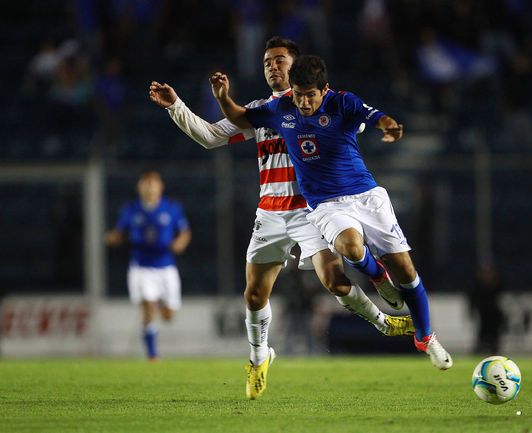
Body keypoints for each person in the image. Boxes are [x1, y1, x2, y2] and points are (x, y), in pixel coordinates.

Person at [149, 36, 414, 400]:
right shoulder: (260, 112)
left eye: (279, 60)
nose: (272, 67)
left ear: (296, 66)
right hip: (271, 212)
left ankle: (383, 323)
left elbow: (354, 121)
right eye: (267, 63)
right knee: (254, 294)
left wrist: (373, 125)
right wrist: (176, 107)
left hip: (313, 210)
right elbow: (210, 137)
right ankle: (260, 357)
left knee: (334, 281)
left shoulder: (324, 103)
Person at [211, 54, 453, 370]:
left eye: (310, 95)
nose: (303, 102)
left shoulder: (342, 102)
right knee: (350, 246)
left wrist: (390, 127)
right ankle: (378, 276)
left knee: (405, 269)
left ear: (324, 89)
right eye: (298, 95)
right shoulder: (280, 109)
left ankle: (426, 338)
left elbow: (377, 116)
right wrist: (223, 97)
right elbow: (240, 117)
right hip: (325, 204)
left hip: (367, 196)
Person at [105, 169, 192, 361]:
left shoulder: (172, 208)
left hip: (166, 267)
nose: (150, 189)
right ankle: (153, 355)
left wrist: (180, 243)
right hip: (141, 268)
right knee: (148, 309)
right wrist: (113, 238)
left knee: (168, 316)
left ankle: (158, 304)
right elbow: (120, 233)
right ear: (139, 188)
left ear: (161, 187)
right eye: (146, 185)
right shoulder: (131, 210)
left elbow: (184, 232)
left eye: (153, 185)